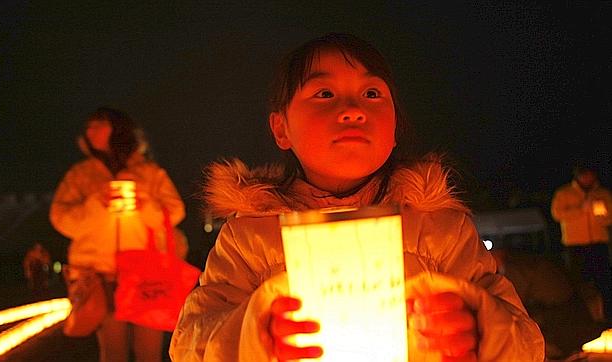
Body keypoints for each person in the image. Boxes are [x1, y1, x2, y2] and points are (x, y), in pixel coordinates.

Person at [170, 33, 544, 361]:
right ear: (281, 128)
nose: (352, 110)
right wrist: (254, 334)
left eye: (371, 93)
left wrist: (479, 329)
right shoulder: (249, 238)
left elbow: (525, 342)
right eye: (324, 93)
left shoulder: (441, 230)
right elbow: (190, 343)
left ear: (395, 126)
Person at [50, 107, 185, 362]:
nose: (90, 130)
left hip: (147, 276)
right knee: (113, 353)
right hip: (101, 278)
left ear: (118, 128)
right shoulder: (81, 175)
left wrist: (142, 204)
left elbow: (175, 212)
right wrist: (95, 205)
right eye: (88, 126)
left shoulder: (149, 172)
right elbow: (60, 218)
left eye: (98, 124)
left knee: (149, 353)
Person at [551, 165, 612, 325]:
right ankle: (581, 317)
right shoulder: (564, 194)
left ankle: (605, 316)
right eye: (584, 176)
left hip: (598, 243)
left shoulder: (602, 194)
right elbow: (557, 214)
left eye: (590, 175)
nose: (587, 179)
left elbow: (609, 217)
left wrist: (601, 216)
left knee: (603, 280)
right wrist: (580, 209)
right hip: (575, 245)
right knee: (578, 282)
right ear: (578, 176)